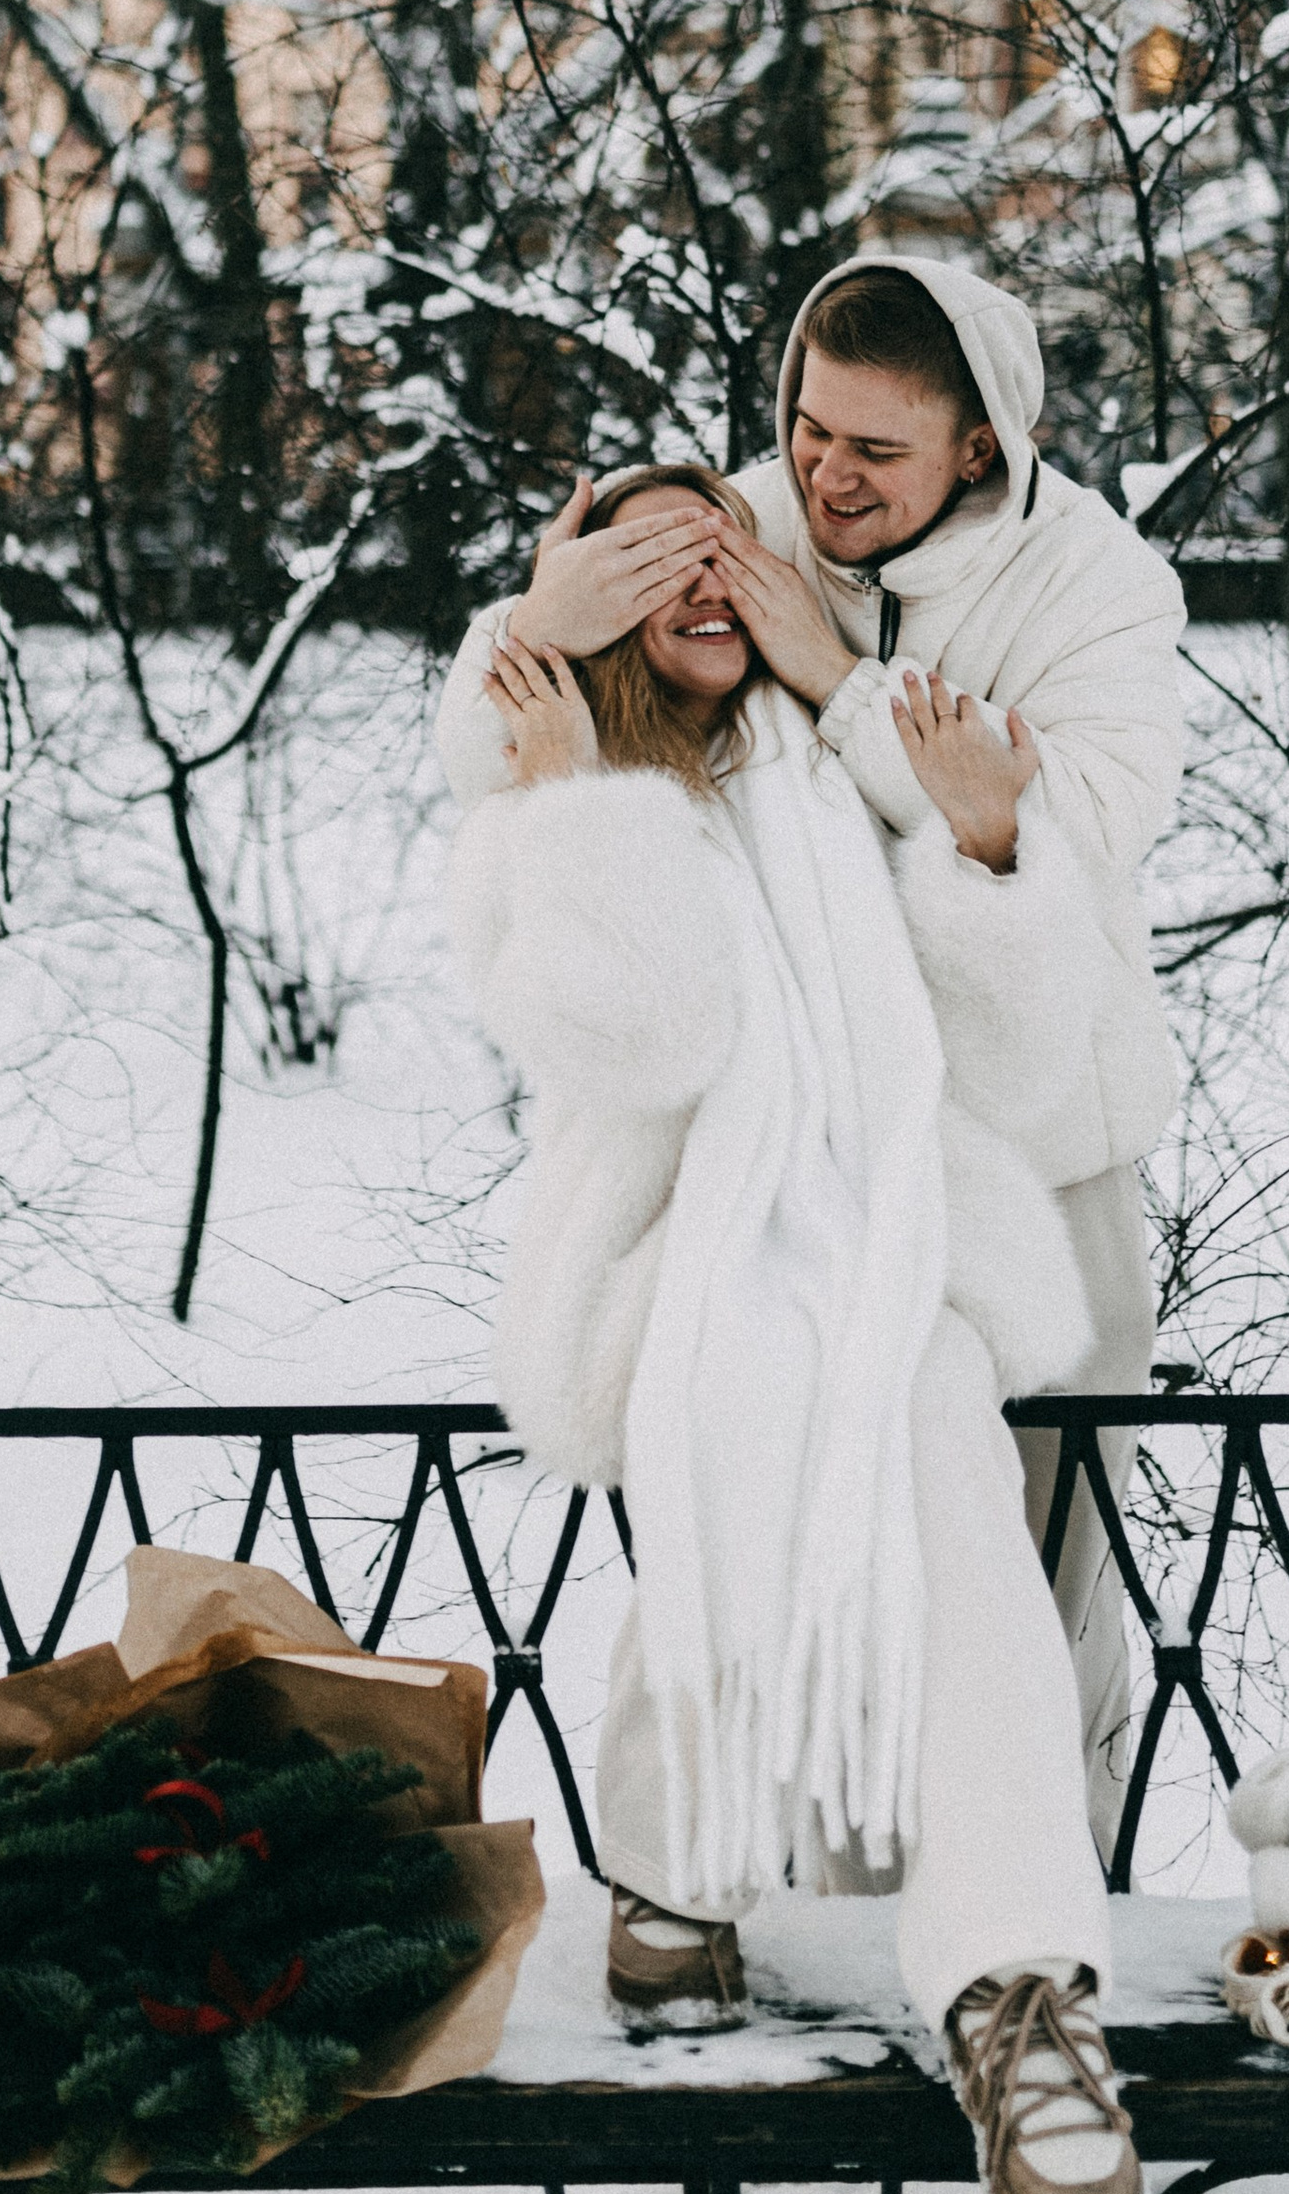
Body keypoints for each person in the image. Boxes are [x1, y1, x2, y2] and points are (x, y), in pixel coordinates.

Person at [445, 463, 1147, 2194]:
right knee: (772, 1374)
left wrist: (985, 852)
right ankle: (975, 1977)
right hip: (666, 1268)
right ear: (582, 588)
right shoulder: (533, 783)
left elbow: (998, 1051)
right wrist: (568, 791)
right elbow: (653, 1035)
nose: (693, 574)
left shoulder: (847, 770)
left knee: (889, 1392)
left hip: (902, 1242)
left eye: (718, 544)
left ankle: (999, 1991)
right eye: (640, 551)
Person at [435, 251, 1188, 1865]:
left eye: (873, 449)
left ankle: (1047, 1912)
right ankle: (831, 1928)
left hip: (1041, 1149)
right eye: (805, 426)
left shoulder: (1097, 586)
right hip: (822, 1168)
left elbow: (1077, 841)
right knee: (834, 1539)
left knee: (1042, 1583)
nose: (821, 476)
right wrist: (534, 618)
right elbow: (524, 742)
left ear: (976, 446)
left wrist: (845, 688)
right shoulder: (756, 517)